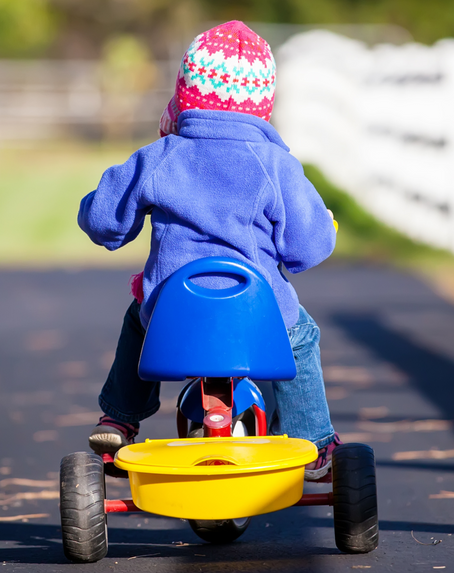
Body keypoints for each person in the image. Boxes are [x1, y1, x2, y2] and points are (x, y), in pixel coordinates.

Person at [77, 21, 341, 482]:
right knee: (302, 338)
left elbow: (103, 220)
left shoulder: (162, 156)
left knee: (137, 315)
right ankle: (316, 442)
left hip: (171, 321)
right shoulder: (275, 164)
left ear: (183, 95)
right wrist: (323, 228)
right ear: (263, 104)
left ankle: (119, 418)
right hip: (259, 321)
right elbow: (308, 246)